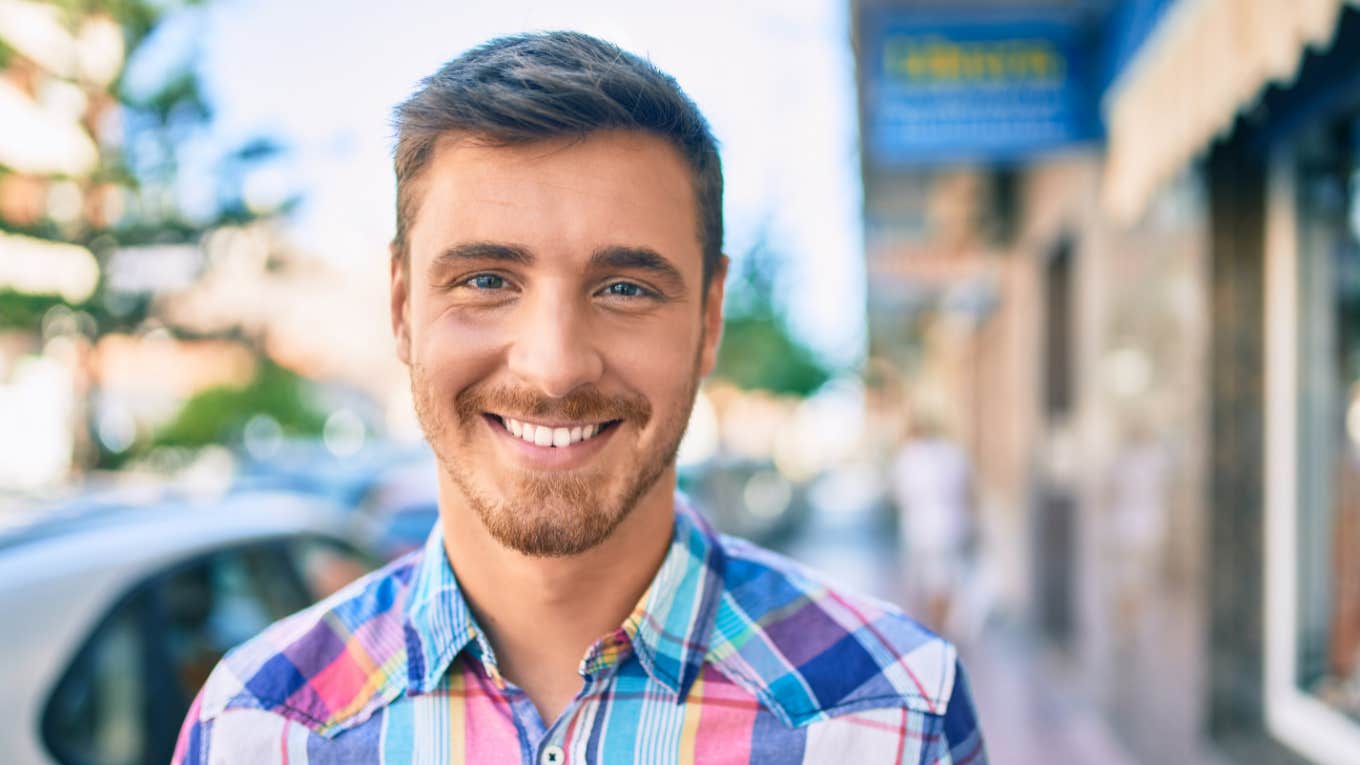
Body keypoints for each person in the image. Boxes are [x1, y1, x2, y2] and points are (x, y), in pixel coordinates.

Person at [172, 31, 986, 764]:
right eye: (486, 281)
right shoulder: (257, 729)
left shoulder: (894, 716)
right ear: (400, 308)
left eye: (626, 287)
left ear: (708, 319)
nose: (556, 367)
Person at [890, 411, 977, 633]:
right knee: (944, 581)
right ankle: (940, 627)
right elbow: (968, 491)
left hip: (921, 529)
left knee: (927, 584)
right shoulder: (954, 454)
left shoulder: (909, 456)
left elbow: (900, 495)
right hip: (952, 526)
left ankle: (934, 630)